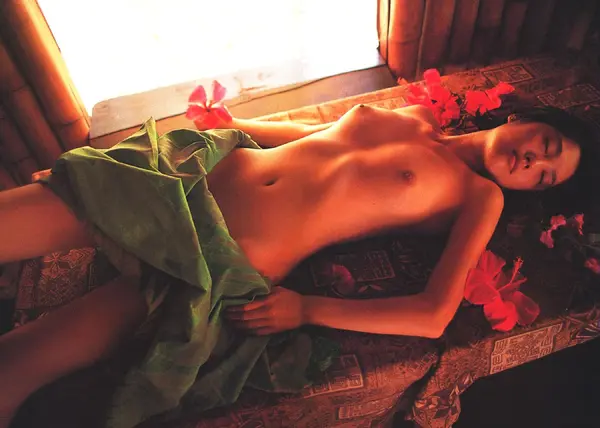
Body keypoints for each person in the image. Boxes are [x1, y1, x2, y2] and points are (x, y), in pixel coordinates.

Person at [0, 102, 593, 427]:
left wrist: (307, 308)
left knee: (18, 363)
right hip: (188, 177)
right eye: (545, 145)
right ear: (521, 119)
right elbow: (312, 135)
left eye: (545, 176)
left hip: (217, 258)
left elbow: (432, 315)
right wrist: (229, 122)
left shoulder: (479, 196)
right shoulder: (415, 115)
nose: (532, 162)